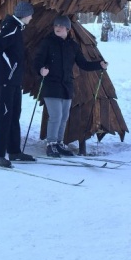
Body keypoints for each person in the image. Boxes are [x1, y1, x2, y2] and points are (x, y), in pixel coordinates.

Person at [33, 16, 108, 158]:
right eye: (56, 25)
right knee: (55, 116)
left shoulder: (73, 46)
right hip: (51, 85)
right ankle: (51, 144)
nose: (58, 27)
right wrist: (41, 70)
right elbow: (37, 61)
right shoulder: (47, 43)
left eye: (61, 26)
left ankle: (59, 144)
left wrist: (99, 64)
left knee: (64, 117)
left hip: (66, 86)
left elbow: (83, 64)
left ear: (68, 29)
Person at [0, 1, 37, 168]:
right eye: (31, 15)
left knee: (14, 115)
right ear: (25, 15)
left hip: (13, 80)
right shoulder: (11, 27)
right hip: (6, 80)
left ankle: (14, 151)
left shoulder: (17, 28)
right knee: (4, 117)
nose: (32, 18)